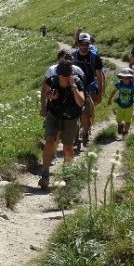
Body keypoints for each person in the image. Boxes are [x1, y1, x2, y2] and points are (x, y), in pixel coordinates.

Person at [39, 62, 85, 190]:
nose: (64, 78)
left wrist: (74, 88)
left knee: (68, 147)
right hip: (54, 115)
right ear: (58, 74)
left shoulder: (77, 83)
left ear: (72, 74)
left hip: (70, 118)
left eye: (67, 75)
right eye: (62, 75)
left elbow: (81, 103)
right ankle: (45, 174)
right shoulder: (52, 80)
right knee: (49, 140)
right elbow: (44, 91)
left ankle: (67, 175)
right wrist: (48, 100)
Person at [71, 32, 105, 148]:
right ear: (78, 44)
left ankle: (85, 131)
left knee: (86, 113)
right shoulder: (72, 56)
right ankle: (77, 134)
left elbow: (99, 76)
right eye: (82, 44)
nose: (84, 46)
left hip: (89, 86)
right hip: (76, 85)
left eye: (86, 44)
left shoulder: (94, 57)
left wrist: (100, 93)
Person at [112, 69, 134, 138]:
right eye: (123, 77)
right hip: (120, 105)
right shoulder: (119, 84)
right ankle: (120, 125)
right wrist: (110, 99)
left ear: (131, 78)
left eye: (127, 77)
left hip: (129, 106)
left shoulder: (133, 86)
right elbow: (114, 91)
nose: (125, 79)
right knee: (118, 119)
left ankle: (125, 133)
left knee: (128, 120)